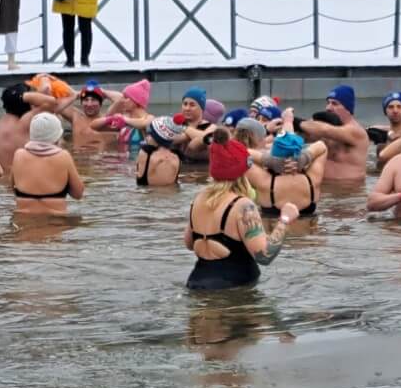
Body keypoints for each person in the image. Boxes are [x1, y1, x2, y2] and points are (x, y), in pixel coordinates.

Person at [185, 135, 293, 291]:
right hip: (235, 291)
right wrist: (285, 219)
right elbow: (265, 255)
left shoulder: (198, 199)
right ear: (243, 170)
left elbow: (190, 244)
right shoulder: (243, 206)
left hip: (196, 283)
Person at [246, 129, 327, 220]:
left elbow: (240, 153)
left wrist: (268, 161)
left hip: (275, 233)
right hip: (307, 233)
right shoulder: (313, 180)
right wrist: (303, 159)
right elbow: (322, 146)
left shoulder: (264, 183)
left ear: (273, 155)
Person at [10, 113, 84, 213]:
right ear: (57, 136)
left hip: (23, 220)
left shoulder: (18, 155)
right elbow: (78, 194)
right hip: (56, 222)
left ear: (32, 134)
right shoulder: (63, 156)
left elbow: (12, 188)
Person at [298, 84, 371, 182]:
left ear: (348, 109)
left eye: (334, 104)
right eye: (328, 103)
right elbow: (303, 136)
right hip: (325, 189)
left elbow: (325, 130)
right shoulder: (326, 127)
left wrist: (295, 121)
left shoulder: (355, 131)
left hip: (348, 190)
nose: (328, 107)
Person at [136, 115, 186, 187]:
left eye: (150, 133)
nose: (147, 136)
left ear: (157, 137)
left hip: (150, 196)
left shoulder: (145, 154)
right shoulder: (177, 157)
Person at [367, 91, 401, 163]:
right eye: (391, 107)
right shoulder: (379, 134)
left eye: (399, 106)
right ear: (385, 111)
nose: (395, 110)